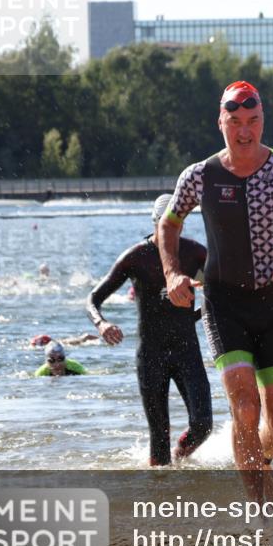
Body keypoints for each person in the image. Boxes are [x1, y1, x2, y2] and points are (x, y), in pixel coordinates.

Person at [159, 80, 273, 504]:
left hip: (272, 306)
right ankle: (258, 506)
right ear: (221, 123)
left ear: (262, 120)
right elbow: (169, 224)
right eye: (235, 122)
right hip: (223, 303)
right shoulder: (199, 175)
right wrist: (172, 273)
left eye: (252, 121)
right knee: (245, 406)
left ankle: (259, 462)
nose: (244, 131)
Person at [87, 194, 213, 466]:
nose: (172, 231)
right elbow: (93, 299)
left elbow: (219, 292)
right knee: (159, 439)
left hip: (187, 350)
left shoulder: (195, 253)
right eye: (166, 224)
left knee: (203, 425)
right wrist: (102, 323)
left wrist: (203, 312)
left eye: (177, 224)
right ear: (155, 222)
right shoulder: (137, 257)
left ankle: (180, 458)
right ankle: (160, 495)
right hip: (151, 355)